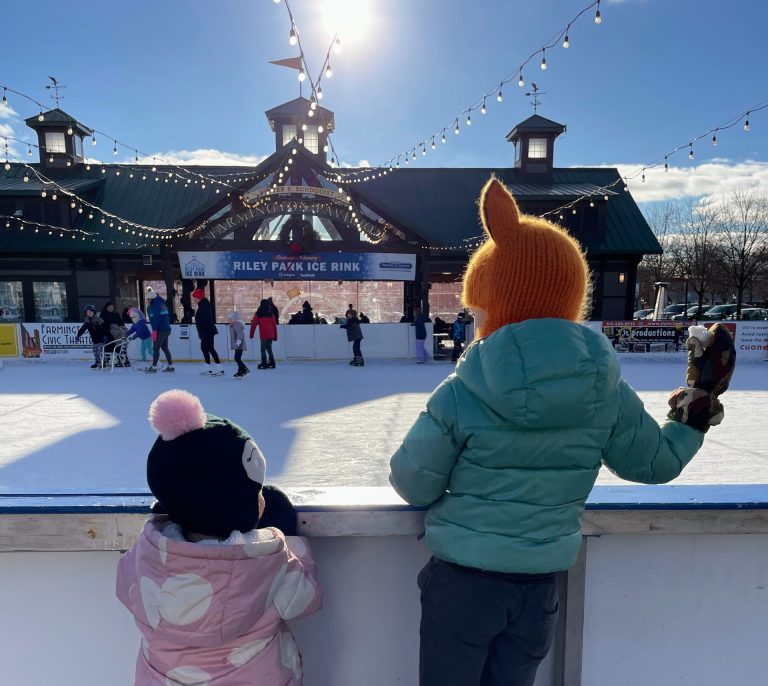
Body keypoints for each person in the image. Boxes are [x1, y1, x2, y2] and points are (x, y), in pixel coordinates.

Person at [389, 178, 736, 686]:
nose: (474, 317)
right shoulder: (603, 386)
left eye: (477, 306)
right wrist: (694, 412)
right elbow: (655, 462)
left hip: (462, 585)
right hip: (537, 590)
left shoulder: (463, 389)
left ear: (498, 301)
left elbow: (413, 482)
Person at [116, 389, 322, 686]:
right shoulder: (268, 560)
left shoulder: (146, 555)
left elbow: (125, 587)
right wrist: (292, 543)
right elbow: (306, 598)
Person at [192, 288, 223, 376]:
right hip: (206, 331)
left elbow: (205, 321)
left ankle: (219, 367)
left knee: (210, 348)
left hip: (208, 331)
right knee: (204, 348)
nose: (194, 299)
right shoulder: (202, 305)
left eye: (195, 297)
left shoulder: (204, 306)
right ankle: (208, 367)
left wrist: (203, 333)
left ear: (199, 298)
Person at [145, 287, 174, 373]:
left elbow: (156, 320)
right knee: (165, 348)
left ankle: (153, 367)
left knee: (156, 348)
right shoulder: (161, 304)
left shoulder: (155, 306)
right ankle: (170, 366)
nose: (147, 301)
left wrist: (154, 331)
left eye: (148, 299)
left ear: (151, 299)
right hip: (166, 329)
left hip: (160, 330)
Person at [75, 304, 107, 369]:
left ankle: (103, 363)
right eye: (87, 312)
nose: (89, 313)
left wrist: (105, 335)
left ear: (93, 312)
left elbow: (105, 328)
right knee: (95, 352)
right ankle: (97, 362)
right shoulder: (87, 320)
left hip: (101, 339)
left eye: (90, 312)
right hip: (94, 339)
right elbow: (83, 329)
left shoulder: (98, 319)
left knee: (100, 352)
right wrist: (78, 335)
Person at [250, 299, 278, 370]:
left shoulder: (258, 313)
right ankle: (272, 362)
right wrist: (275, 336)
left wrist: (251, 334)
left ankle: (264, 363)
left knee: (263, 350)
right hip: (271, 334)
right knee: (269, 348)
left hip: (263, 334)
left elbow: (254, 324)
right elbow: (274, 325)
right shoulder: (271, 313)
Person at [227, 311, 250, 378]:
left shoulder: (237, 324)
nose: (229, 320)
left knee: (237, 358)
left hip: (239, 344)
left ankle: (245, 369)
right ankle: (240, 370)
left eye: (230, 319)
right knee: (237, 358)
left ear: (234, 319)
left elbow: (240, 333)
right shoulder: (233, 325)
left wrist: (239, 340)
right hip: (238, 344)